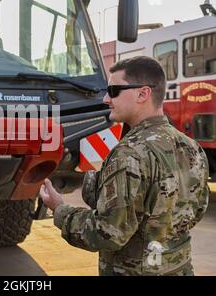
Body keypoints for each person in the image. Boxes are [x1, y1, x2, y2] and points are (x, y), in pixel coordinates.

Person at [39, 56, 210, 276]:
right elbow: (194, 211)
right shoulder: (191, 147)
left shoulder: (130, 153)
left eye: (113, 91)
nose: (105, 99)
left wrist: (60, 208)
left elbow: (107, 234)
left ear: (143, 93)